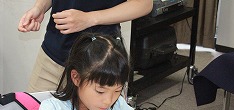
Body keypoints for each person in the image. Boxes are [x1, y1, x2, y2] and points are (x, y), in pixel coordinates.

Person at [18, 0, 153, 92]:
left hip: (98, 62)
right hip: (52, 54)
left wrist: (90, 18)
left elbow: (144, 4)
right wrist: (39, 7)